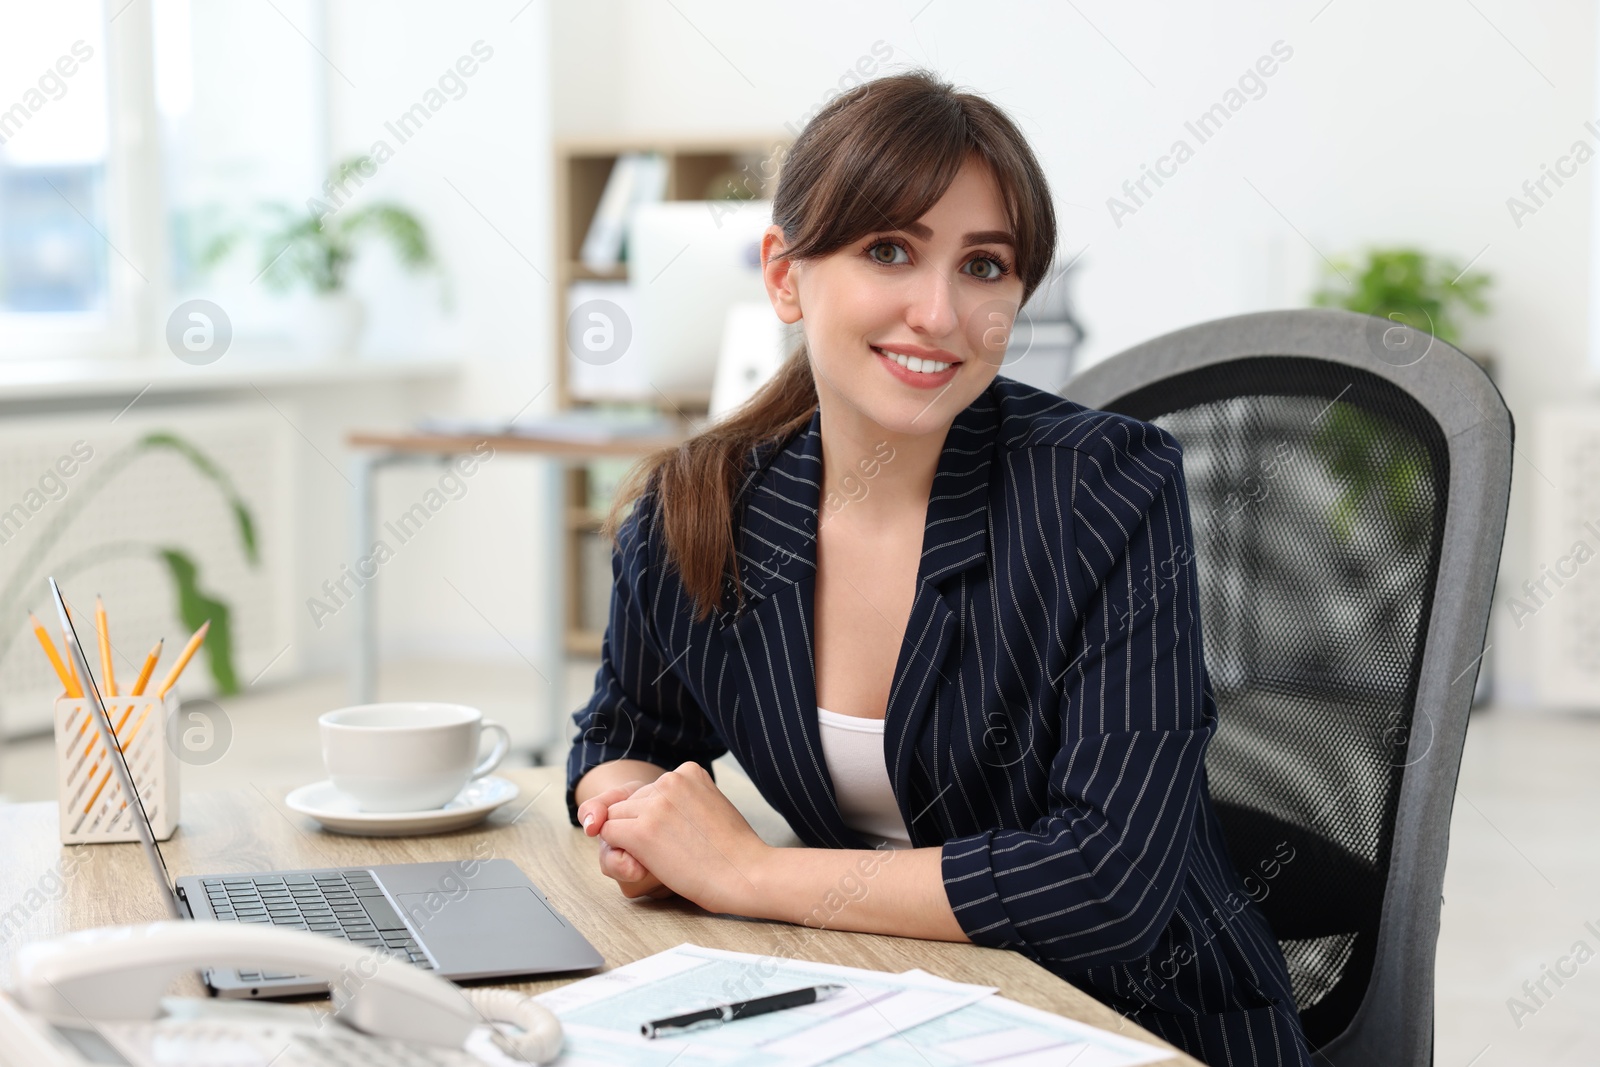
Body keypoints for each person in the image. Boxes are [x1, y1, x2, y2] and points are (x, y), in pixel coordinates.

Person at [566, 69, 1311, 1066]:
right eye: (889, 250)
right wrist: (628, 803)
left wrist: (746, 871)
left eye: (985, 265)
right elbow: (624, 731)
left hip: (1136, 1018)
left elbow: (1107, 881)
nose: (941, 311)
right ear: (784, 274)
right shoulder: (699, 507)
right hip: (877, 996)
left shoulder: (1107, 490)